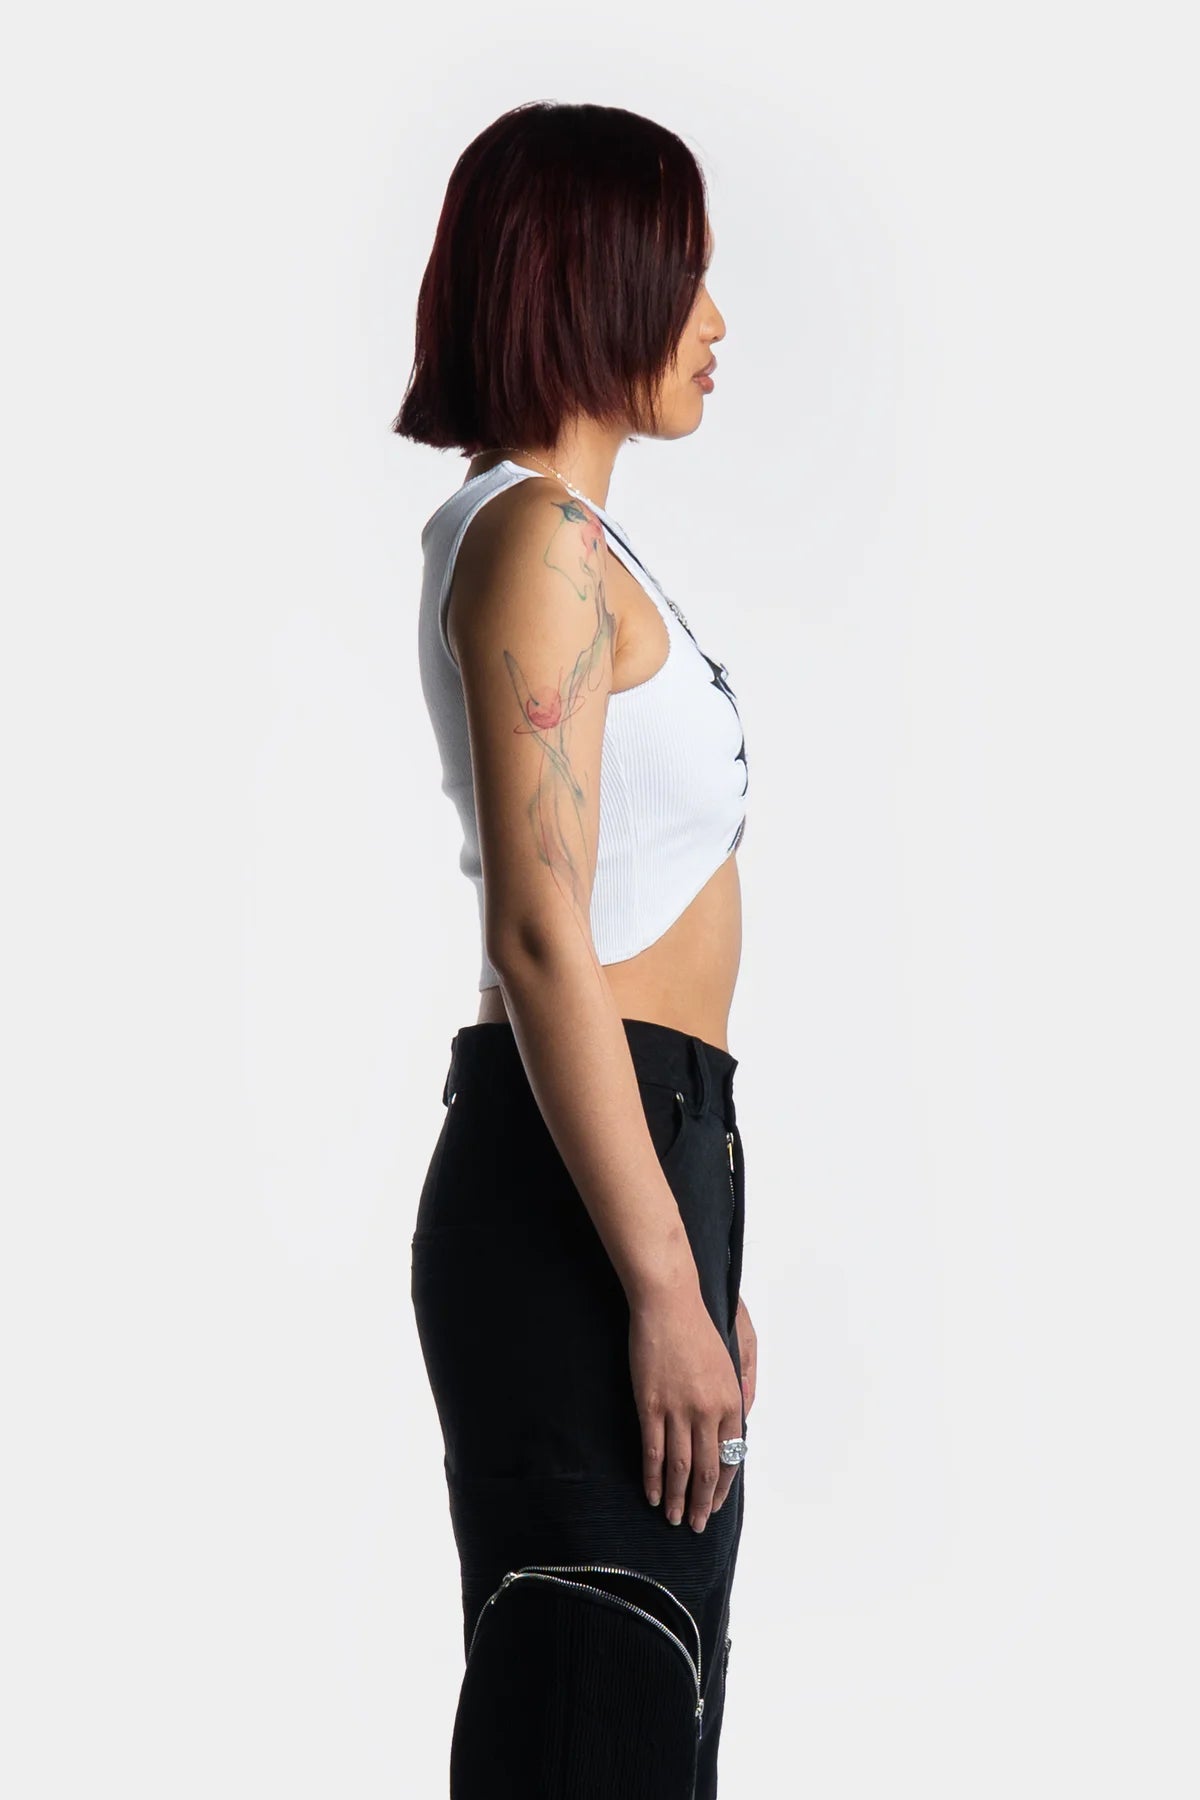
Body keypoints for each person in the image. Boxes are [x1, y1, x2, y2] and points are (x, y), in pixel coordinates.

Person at [393, 100, 758, 1798]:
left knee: (642, 1725)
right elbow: (544, 938)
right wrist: (662, 1281)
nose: (714, 320)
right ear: (590, 276)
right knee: (589, 1716)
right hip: (574, 1193)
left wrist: (698, 1250)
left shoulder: (573, 544)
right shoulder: (534, 540)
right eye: (685, 274)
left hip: (643, 1162)